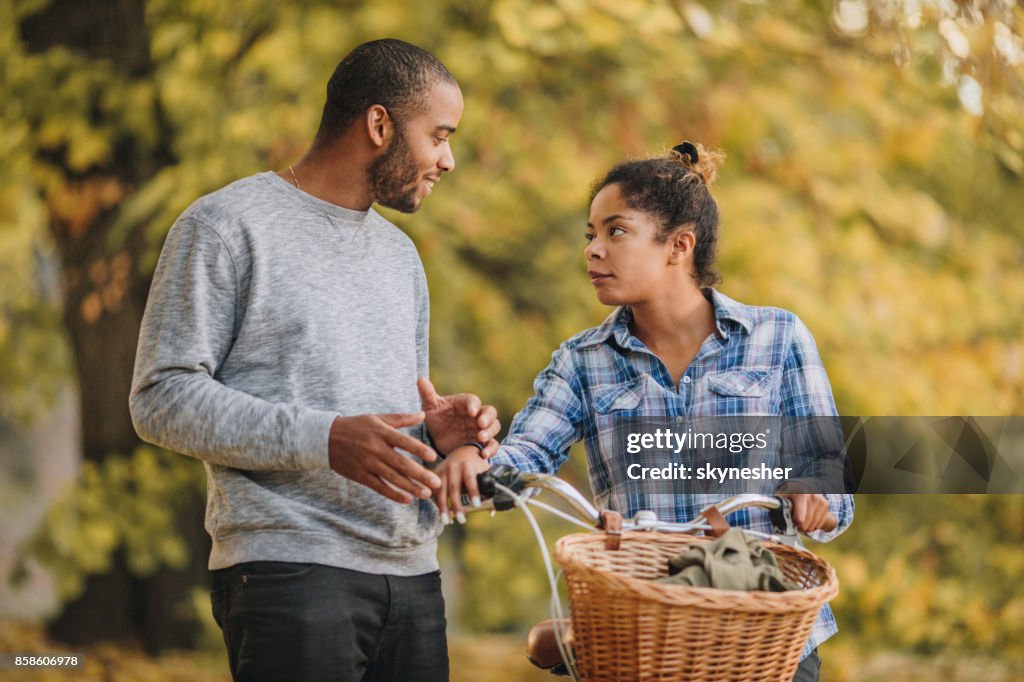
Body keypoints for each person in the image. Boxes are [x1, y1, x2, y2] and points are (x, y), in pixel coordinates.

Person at [130, 39, 500, 682]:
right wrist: (323, 439)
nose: (449, 159)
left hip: (412, 578)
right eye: (438, 136)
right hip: (291, 573)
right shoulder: (225, 226)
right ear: (379, 125)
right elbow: (160, 397)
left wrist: (436, 438)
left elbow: (377, 424)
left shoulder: (400, 258)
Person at [435, 142, 854, 682]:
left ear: (679, 246)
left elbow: (831, 478)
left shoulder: (777, 337)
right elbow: (527, 454)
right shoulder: (582, 360)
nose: (592, 250)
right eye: (590, 234)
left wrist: (813, 493)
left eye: (615, 231)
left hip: (762, 635)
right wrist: (474, 457)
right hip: (643, 635)